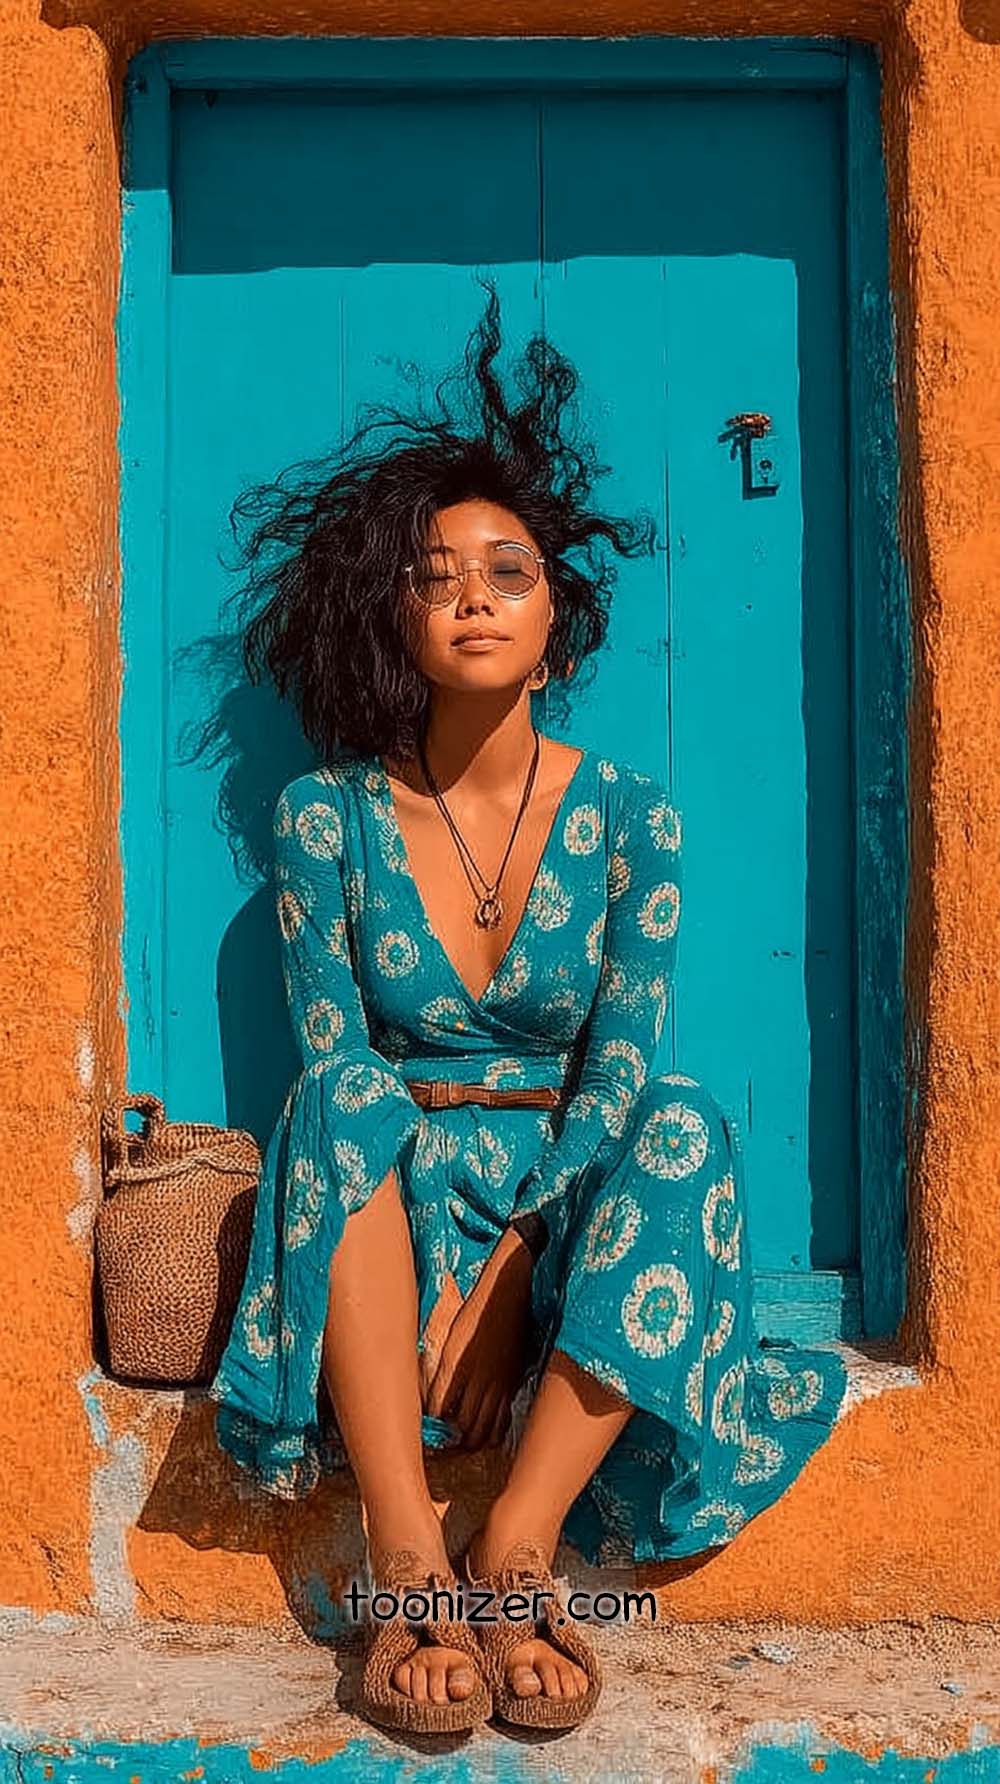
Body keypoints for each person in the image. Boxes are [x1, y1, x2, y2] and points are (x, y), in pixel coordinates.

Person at [208, 284, 849, 1734]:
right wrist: (453, 1258)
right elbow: (333, 1057)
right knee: (338, 1099)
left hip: (562, 1225)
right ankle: (406, 1564)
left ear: (558, 623)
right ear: (398, 623)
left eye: (509, 570)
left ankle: (515, 1550)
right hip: (381, 1217)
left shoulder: (635, 822)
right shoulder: (327, 821)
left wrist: (508, 1281)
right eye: (437, 577)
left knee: (682, 1120)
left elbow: (618, 1070)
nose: (476, 594)